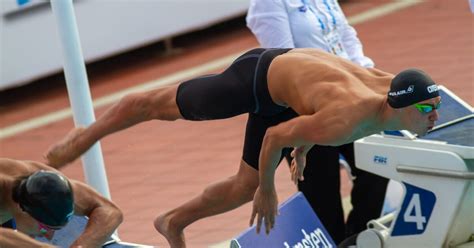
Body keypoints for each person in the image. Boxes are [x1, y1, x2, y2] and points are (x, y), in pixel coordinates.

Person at [45, 48, 440, 247]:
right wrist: (269, 189)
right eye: (426, 109)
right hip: (258, 78)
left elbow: (312, 113)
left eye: (435, 107)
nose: (434, 117)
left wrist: (303, 142)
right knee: (157, 107)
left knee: (241, 187)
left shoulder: (388, 90)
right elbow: (275, 137)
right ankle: (88, 133)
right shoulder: (347, 121)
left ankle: (174, 220)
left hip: (290, 96)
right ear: (399, 106)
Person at [246, 0, 388, 242]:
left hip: (353, 96)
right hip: (308, 106)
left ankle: (357, 239)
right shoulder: (267, 4)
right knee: (321, 191)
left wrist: (368, 76)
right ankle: (335, 242)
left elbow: (345, 35)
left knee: (377, 170)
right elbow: (287, 61)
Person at [0, 158, 123, 247]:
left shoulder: (41, 181)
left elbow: (109, 210)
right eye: (44, 228)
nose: (49, 236)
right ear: (21, 208)